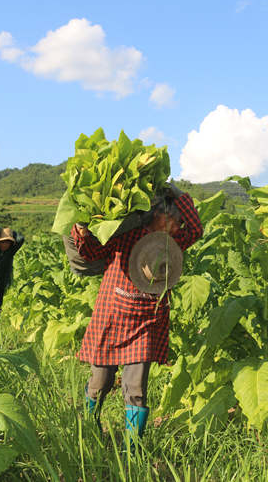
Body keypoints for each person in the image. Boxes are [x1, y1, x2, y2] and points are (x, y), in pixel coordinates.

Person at [71, 184, 202, 451]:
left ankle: (132, 450)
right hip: (112, 315)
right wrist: (82, 229)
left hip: (145, 322)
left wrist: (177, 193)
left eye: (178, 224)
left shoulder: (172, 243)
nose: (175, 228)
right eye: (172, 220)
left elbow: (196, 230)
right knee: (100, 382)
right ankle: (89, 431)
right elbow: (91, 252)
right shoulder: (127, 234)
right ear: (158, 215)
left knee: (136, 389)